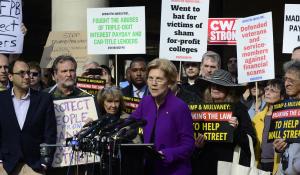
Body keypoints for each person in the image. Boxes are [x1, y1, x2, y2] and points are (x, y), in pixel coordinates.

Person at [131, 58, 195, 175]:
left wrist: (166, 154)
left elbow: (188, 145)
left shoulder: (180, 107)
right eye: (150, 78)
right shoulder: (145, 102)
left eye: (159, 79)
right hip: (149, 168)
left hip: (174, 170)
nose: (153, 83)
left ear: (169, 82)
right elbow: (130, 122)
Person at [193, 69, 256, 175]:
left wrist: (236, 130)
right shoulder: (200, 108)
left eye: (220, 86)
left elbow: (252, 141)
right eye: (212, 85)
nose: (215, 88)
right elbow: (190, 139)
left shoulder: (238, 109)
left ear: (229, 90)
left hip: (228, 166)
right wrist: (197, 146)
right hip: (204, 166)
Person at [0, 59, 57, 175]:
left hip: (34, 166)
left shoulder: (44, 99)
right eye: (21, 73)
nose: (27, 76)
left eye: (28, 72)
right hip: (6, 166)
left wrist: (44, 163)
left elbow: (50, 133)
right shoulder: (1, 99)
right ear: (10, 77)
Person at [252, 79, 285, 173]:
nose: (267, 93)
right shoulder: (257, 117)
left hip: (279, 165)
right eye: (267, 89)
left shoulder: (286, 116)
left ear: (282, 96)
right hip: (260, 165)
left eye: (273, 91)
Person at [273, 61, 300, 175]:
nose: (286, 84)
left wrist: (293, 170)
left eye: (291, 80)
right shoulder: (283, 107)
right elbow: (281, 140)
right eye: (285, 79)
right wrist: (278, 147)